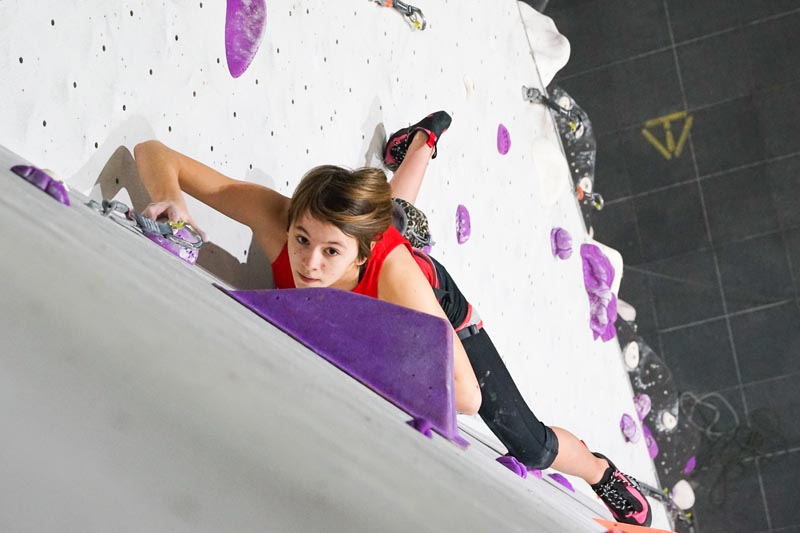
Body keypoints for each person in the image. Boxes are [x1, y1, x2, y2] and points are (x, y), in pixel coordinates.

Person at [133, 112, 652, 527]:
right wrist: (171, 202)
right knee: (391, 214)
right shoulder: (287, 220)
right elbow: (154, 154)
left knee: (530, 445)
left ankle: (600, 471)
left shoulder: (394, 277)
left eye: (330, 252)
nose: (308, 264)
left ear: (361, 256)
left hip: (430, 297)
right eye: (301, 241)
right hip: (379, 245)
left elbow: (465, 397)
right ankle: (420, 141)